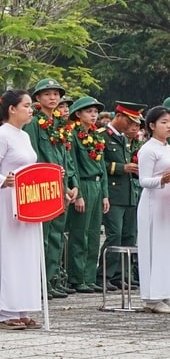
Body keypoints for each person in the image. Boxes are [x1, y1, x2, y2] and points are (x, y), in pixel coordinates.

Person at [0, 90, 45, 329]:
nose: (31, 110)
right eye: (26, 105)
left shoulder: (24, 136)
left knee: (25, 255)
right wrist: (3, 181)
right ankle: (4, 311)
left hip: (26, 202)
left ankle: (22, 308)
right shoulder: (2, 135)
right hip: (5, 201)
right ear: (12, 109)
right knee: (7, 255)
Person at [25, 78, 73, 298]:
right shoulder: (34, 123)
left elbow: (65, 157)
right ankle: (38, 281)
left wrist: (69, 186)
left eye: (56, 94)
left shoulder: (60, 124)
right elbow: (33, 156)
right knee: (42, 236)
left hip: (59, 185)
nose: (53, 98)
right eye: (47, 94)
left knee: (56, 235)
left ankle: (52, 279)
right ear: (38, 98)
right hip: (42, 184)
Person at [63, 96, 110, 294]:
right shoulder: (72, 135)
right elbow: (72, 165)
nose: (93, 115)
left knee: (93, 234)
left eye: (95, 112)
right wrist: (79, 194)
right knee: (79, 233)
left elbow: (102, 167)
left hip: (97, 185)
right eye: (89, 111)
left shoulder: (96, 135)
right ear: (78, 114)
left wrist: (105, 194)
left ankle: (90, 277)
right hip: (83, 184)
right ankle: (77, 277)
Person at [135, 106, 170, 312]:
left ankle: (164, 292)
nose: (168, 126)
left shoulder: (167, 147)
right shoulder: (148, 149)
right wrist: (161, 180)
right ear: (152, 125)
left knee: (165, 249)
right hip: (152, 203)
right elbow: (144, 180)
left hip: (166, 205)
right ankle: (151, 298)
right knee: (153, 249)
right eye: (164, 122)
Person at [106, 104, 142, 269]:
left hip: (128, 193)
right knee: (115, 234)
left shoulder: (124, 138)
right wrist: (122, 168)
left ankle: (123, 273)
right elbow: (98, 164)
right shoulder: (102, 135)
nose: (131, 126)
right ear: (118, 116)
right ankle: (106, 273)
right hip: (113, 193)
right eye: (129, 121)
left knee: (129, 235)